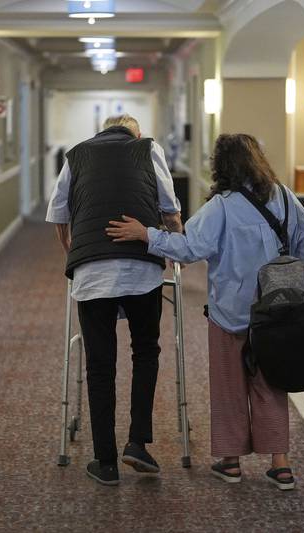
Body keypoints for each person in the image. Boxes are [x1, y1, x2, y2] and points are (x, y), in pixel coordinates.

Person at [106, 133, 304, 490]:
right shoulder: (284, 197)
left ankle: (231, 461)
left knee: (229, 384)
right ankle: (280, 464)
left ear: (221, 166)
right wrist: (301, 290)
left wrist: (147, 234)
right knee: (271, 383)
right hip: (278, 310)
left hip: (230, 312)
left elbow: (190, 248)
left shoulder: (222, 206)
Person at [46, 114, 183, 486]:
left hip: (91, 273)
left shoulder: (76, 156)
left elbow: (59, 215)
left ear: (102, 133)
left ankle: (104, 461)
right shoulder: (147, 148)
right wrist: (174, 244)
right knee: (145, 352)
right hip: (142, 267)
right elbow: (170, 210)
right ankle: (137, 443)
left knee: (100, 365)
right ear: (134, 135)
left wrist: (73, 252)